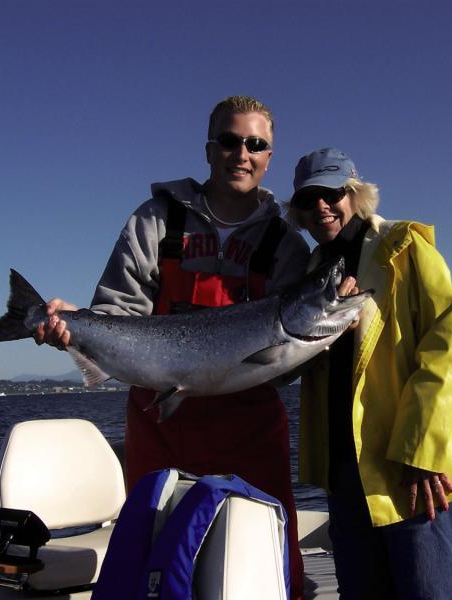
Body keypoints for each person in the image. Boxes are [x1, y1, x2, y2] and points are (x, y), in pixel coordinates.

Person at [37, 96, 310, 599]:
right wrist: (79, 328)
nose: (242, 153)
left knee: (261, 571)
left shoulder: (287, 243)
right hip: (160, 424)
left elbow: (287, 358)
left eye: (256, 144)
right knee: (155, 568)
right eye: (230, 141)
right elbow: (117, 310)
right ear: (209, 149)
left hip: (251, 432)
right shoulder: (156, 220)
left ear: (270, 156)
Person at [286, 148, 452, 600]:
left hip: (420, 469)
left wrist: (421, 451)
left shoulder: (404, 246)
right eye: (308, 201)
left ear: (355, 195)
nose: (321, 207)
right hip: (349, 474)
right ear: (299, 215)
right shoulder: (311, 276)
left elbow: (445, 348)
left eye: (331, 194)